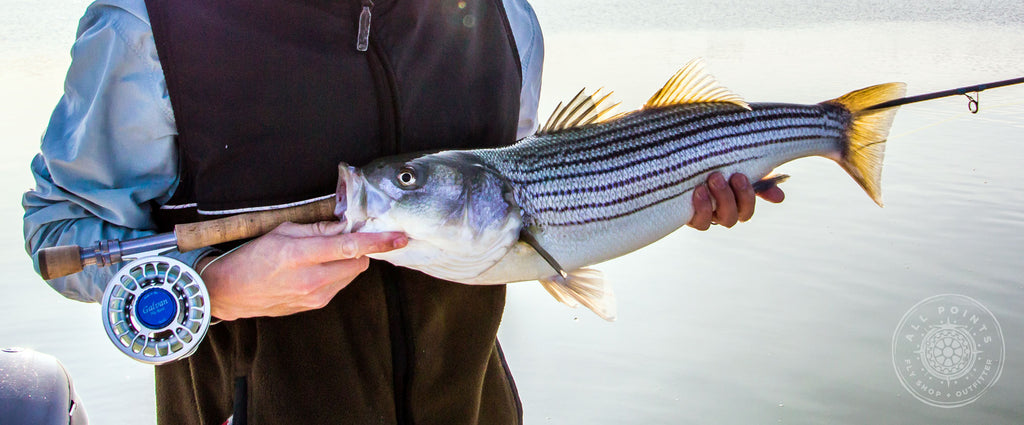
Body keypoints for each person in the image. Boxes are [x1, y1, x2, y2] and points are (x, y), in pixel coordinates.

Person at [22, 0, 784, 423]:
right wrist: (216, 289)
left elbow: (529, 209)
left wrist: (664, 188)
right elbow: (61, 230)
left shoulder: (503, 18)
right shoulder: (151, 25)